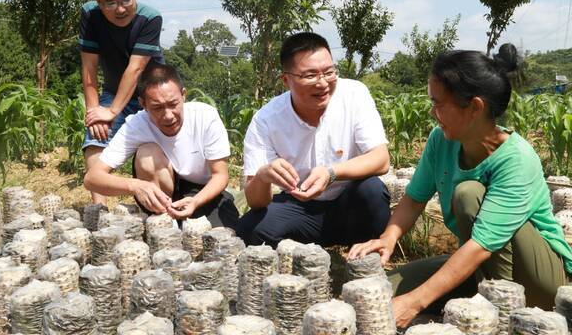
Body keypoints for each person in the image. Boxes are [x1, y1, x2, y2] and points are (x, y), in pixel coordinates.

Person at [348, 44, 572, 328]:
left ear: (475, 108)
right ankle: (480, 292)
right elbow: (415, 198)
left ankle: (498, 310)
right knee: (386, 288)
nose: (432, 113)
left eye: (439, 104)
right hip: (479, 264)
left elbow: (481, 245)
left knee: (468, 194)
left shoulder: (516, 159)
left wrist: (414, 303)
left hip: (539, 278)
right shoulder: (441, 140)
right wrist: (389, 237)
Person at [236, 32, 391, 247]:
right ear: (285, 80)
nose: (323, 83)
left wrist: (331, 173)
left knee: (372, 191)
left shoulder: (354, 94)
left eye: (329, 72)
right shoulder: (266, 120)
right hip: (299, 208)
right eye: (310, 75)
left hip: (348, 203)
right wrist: (263, 176)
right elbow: (255, 201)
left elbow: (381, 159)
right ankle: (304, 249)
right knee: (248, 230)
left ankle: (365, 254)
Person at [83, 61, 239, 228]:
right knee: (147, 153)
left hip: (202, 191)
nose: (168, 116)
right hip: (159, 192)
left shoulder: (205, 116)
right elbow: (92, 179)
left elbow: (220, 175)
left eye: (173, 104)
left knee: (226, 233)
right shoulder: (136, 125)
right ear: (143, 104)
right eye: (157, 108)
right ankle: (163, 220)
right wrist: (135, 186)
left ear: (183, 95)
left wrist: (196, 201)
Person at [79, 0, 164, 204]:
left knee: (161, 148)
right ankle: (100, 211)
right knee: (95, 139)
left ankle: (162, 204)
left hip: (151, 93)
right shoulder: (90, 15)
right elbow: (89, 68)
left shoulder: (150, 18)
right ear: (99, 2)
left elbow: (136, 69)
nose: (121, 8)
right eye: (111, 3)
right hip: (114, 92)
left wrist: (112, 111)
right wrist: (94, 113)